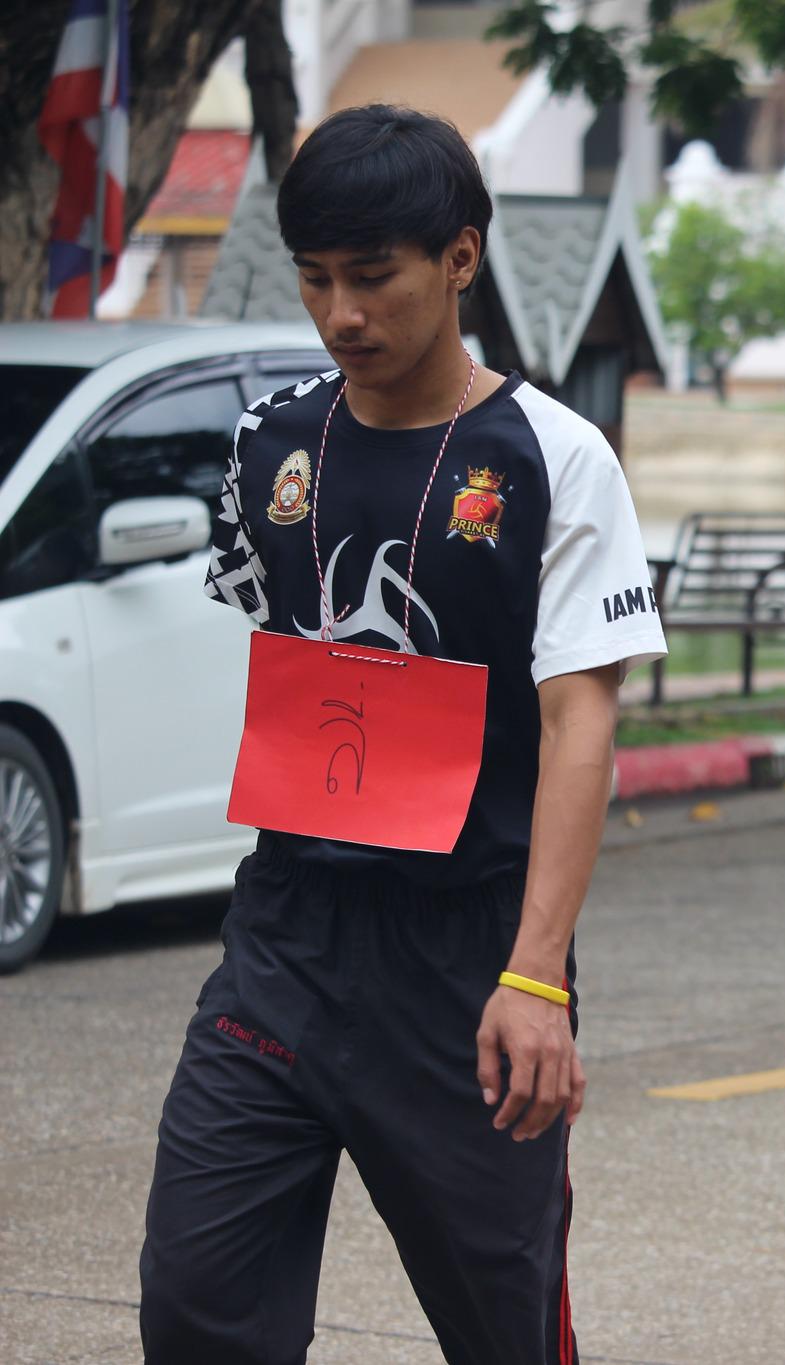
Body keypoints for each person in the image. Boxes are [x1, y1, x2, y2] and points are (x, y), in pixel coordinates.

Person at [138, 105, 668, 1364]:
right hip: (287, 937)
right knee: (196, 1305)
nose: (342, 314)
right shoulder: (272, 442)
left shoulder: (554, 458)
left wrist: (536, 975)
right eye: (316, 280)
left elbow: (578, 724)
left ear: (461, 260)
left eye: (372, 277)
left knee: (502, 1327)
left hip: (467, 962)